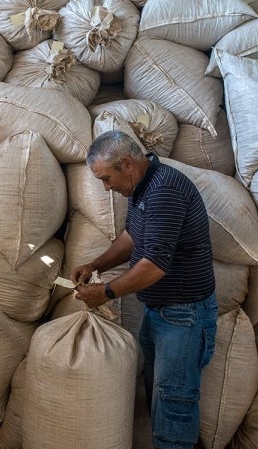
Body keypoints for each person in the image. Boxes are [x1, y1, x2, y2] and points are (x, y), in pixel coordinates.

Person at [72, 130, 217, 449]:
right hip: (162, 314)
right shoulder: (142, 187)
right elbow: (131, 238)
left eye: (106, 179)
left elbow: (155, 264)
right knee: (163, 400)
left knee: (174, 407)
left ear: (126, 164)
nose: (107, 188)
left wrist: (105, 293)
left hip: (184, 317)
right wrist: (96, 264)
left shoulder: (164, 190)